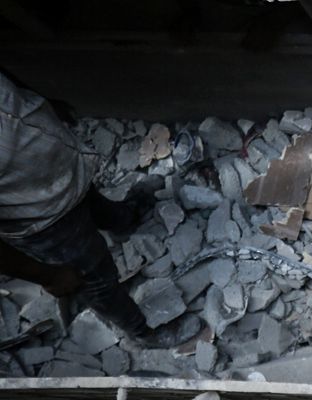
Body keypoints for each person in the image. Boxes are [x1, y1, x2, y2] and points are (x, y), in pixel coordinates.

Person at [0, 71, 201, 348]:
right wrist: (48, 275)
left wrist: (39, 104)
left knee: (95, 204)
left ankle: (124, 219)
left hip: (65, 169)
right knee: (97, 279)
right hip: (43, 218)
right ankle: (143, 334)